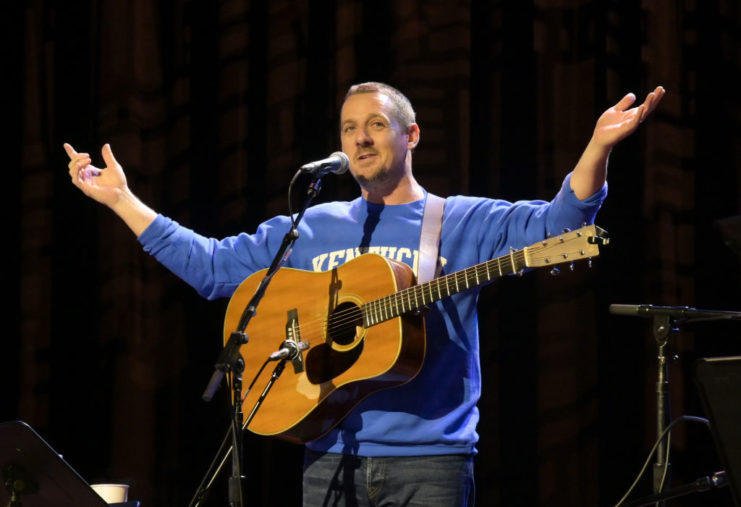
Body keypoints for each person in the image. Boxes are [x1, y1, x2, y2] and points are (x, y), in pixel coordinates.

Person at [65, 82, 664, 506]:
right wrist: (122, 200)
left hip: (431, 462)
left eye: (376, 124)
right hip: (327, 453)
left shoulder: (455, 220)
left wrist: (597, 149)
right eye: (350, 128)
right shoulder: (312, 225)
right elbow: (213, 268)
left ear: (411, 135)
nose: (360, 138)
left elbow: (561, 229)